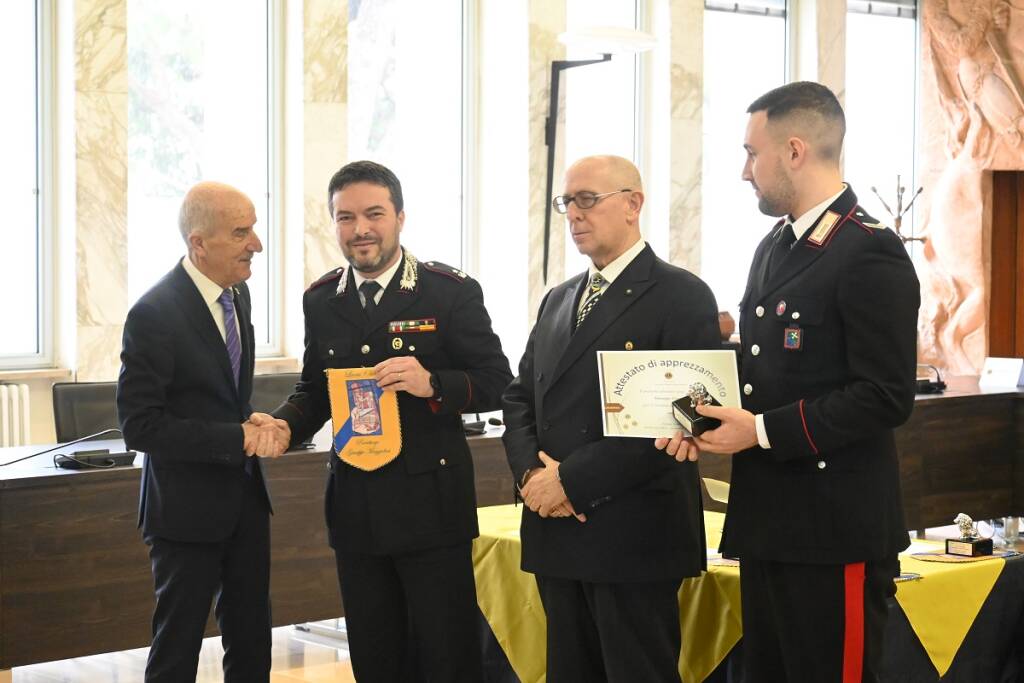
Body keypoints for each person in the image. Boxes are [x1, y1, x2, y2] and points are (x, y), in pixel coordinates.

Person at [658, 82, 920, 681]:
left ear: (794, 150)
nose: (744, 171)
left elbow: (885, 395)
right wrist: (692, 412)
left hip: (834, 529)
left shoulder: (867, 251)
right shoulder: (775, 246)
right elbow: (760, 372)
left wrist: (762, 431)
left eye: (752, 153)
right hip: (771, 520)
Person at [267, 160, 512, 682]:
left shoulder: (448, 291)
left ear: (400, 217)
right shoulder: (321, 299)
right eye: (345, 217)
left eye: (374, 214)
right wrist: (286, 425)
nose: (360, 229)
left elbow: (495, 379)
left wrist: (433, 383)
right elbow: (316, 388)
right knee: (376, 660)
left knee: (446, 658)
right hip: (356, 506)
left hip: (431, 508)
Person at [502, 155, 721, 683]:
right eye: (567, 202)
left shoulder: (681, 295)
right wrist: (533, 476)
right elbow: (518, 398)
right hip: (557, 531)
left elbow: (683, 419)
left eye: (587, 200)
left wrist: (571, 482)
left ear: (633, 204)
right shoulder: (559, 300)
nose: (574, 214)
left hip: (633, 535)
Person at [117, 181, 291, 682]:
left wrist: (252, 419)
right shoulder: (154, 314)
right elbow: (140, 425)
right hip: (184, 512)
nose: (256, 243)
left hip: (246, 502)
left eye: (254, 228)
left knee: (253, 640)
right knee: (177, 648)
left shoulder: (239, 297)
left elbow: (219, 395)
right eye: (241, 232)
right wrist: (233, 437)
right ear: (199, 243)